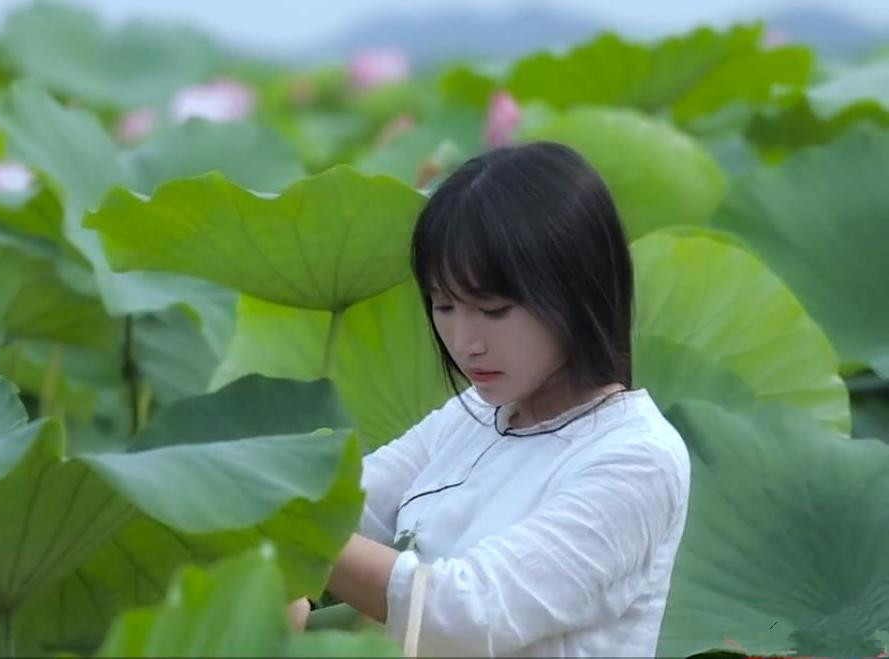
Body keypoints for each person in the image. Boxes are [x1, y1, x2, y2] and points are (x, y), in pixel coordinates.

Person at [290, 141, 691, 657]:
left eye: (494, 309)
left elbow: (467, 615)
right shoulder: (474, 416)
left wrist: (292, 531)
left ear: (576, 290)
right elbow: (344, 504)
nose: (464, 341)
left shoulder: (637, 458)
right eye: (444, 305)